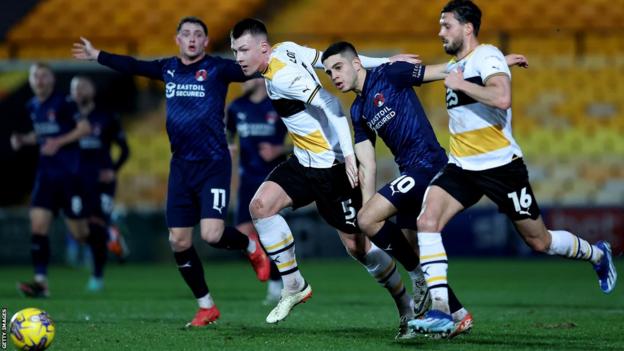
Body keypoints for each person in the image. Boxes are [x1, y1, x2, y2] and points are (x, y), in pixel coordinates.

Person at [407, 0, 617, 336]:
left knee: (540, 242)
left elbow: (502, 98)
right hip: (462, 167)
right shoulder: (464, 63)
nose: (440, 31)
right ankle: (443, 311)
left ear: (467, 28)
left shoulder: (485, 55)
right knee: (426, 221)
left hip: (501, 168)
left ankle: (597, 254)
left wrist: (466, 83)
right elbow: (467, 72)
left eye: (446, 25)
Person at [230, 18, 436, 338]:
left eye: (243, 50)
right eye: (234, 51)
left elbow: (331, 105)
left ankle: (407, 306)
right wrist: (385, 61)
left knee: (359, 248)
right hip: (303, 161)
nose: (238, 58)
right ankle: (293, 284)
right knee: (261, 206)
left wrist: (350, 156)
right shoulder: (288, 50)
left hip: (332, 167)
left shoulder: (283, 75)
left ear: (263, 48)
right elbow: (327, 57)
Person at [72, 16, 271, 327]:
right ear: (177, 39)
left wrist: (282, 58)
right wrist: (98, 55)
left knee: (211, 234)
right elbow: (134, 66)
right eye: (186, 34)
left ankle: (250, 246)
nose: (192, 39)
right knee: (178, 241)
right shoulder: (168, 68)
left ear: (206, 42)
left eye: (198, 35)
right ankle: (206, 307)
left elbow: (257, 67)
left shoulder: (218, 69)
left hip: (214, 163)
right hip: (180, 166)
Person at [10, 62, 93, 298]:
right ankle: (41, 282)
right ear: (30, 80)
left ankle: (108, 234)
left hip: (70, 176)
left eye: (44, 76)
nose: (39, 80)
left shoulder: (65, 103)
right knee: (37, 226)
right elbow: (41, 134)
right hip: (45, 176)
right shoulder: (32, 105)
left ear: (52, 80)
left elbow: (85, 128)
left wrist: (59, 142)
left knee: (80, 234)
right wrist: (24, 140)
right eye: (35, 76)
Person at [225, 77, 287, 304]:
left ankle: (276, 284)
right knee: (243, 232)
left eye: (247, 75)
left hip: (273, 180)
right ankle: (266, 262)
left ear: (261, 79)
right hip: (246, 178)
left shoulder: (277, 105)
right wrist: (230, 146)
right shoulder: (236, 107)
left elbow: (301, 139)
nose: (242, 80)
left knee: (270, 233)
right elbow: (229, 132)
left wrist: (280, 149)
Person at [69, 75, 131, 291]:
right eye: (74, 88)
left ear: (92, 91)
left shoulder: (106, 116)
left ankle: (97, 277)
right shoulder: (67, 117)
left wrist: (112, 170)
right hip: (75, 180)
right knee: (80, 232)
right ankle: (111, 234)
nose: (78, 91)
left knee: (95, 226)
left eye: (82, 86)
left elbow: (125, 150)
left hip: (101, 181)